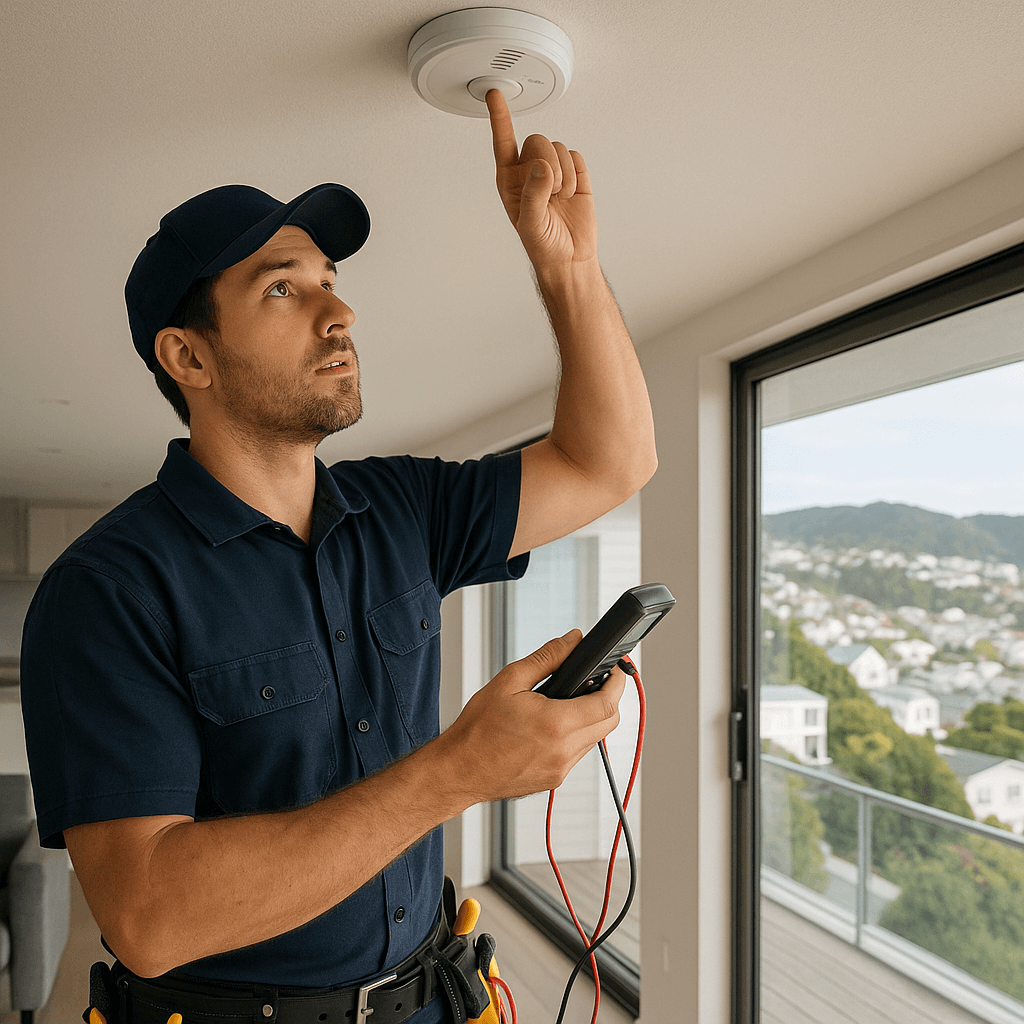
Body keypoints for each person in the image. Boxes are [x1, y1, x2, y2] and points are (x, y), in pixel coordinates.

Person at [19, 90, 656, 1024]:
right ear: (188, 358)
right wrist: (458, 771)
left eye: (328, 278)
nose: (340, 310)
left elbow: (613, 460)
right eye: (284, 287)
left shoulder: (399, 508)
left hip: (436, 996)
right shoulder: (108, 592)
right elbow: (148, 916)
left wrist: (568, 266)